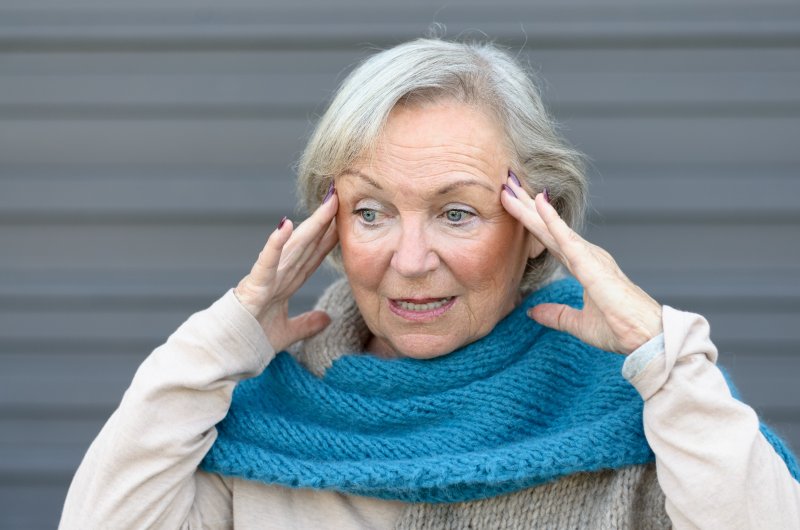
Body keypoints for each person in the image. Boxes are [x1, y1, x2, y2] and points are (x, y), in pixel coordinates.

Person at [59, 38, 800, 529]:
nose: (410, 260)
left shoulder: (636, 399)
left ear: (536, 226)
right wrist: (213, 347)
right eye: (373, 212)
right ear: (331, 225)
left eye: (456, 213)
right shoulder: (266, 412)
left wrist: (659, 354)